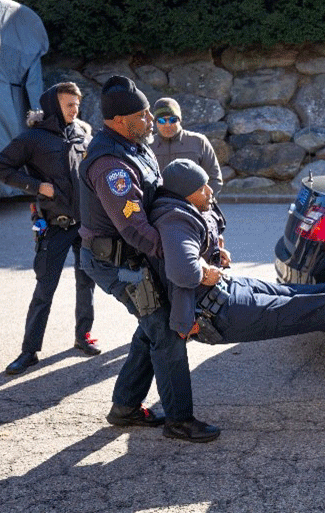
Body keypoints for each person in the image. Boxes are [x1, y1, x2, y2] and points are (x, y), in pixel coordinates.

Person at [78, 76, 219, 443]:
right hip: (116, 262)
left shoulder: (136, 147)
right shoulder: (111, 166)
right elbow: (136, 227)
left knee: (150, 328)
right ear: (120, 120)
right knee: (168, 331)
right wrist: (184, 257)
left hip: (135, 258)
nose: (151, 121)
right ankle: (180, 420)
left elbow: (160, 201)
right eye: (143, 115)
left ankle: (125, 407)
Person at [150, 158, 325, 350]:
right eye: (202, 188)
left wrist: (214, 256)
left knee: (298, 294)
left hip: (224, 291)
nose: (210, 192)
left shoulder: (182, 210)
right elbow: (183, 271)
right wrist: (205, 271)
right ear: (184, 193)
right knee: (300, 309)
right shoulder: (175, 219)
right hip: (218, 312)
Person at [0, 82, 98, 375]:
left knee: (86, 281)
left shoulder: (83, 132)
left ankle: (83, 336)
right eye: (69, 105)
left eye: (77, 104)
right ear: (53, 106)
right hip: (54, 225)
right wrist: (36, 186)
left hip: (85, 224)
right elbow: (0, 168)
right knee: (45, 289)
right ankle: (29, 351)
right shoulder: (33, 138)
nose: (75, 110)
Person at [151, 97, 223, 196]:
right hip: (159, 206)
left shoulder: (199, 141)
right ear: (155, 122)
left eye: (173, 120)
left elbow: (214, 179)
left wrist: (203, 201)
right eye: (162, 121)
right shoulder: (147, 145)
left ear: (179, 120)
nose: (167, 125)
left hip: (195, 207)